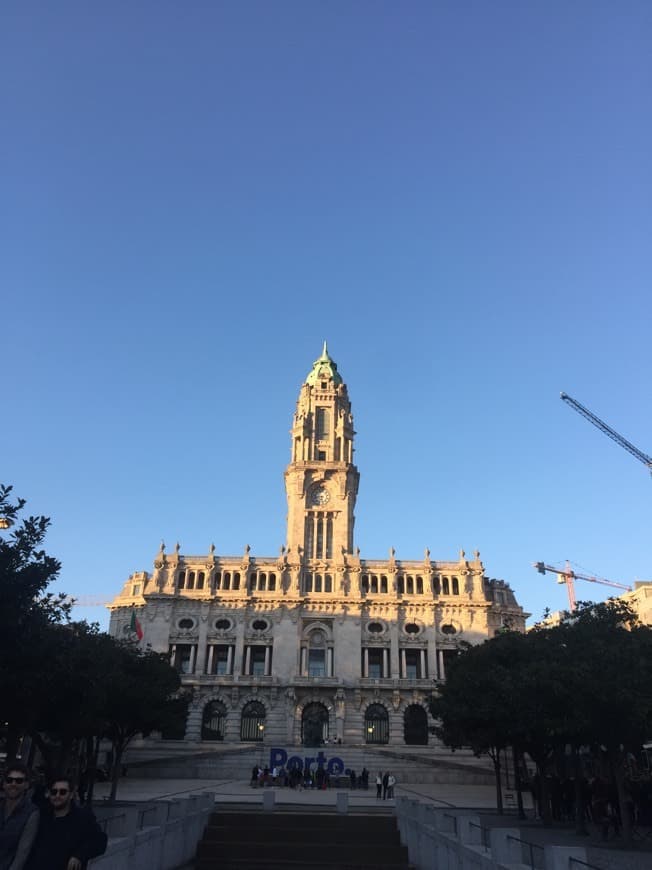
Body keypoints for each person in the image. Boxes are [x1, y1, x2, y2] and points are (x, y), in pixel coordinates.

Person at [25, 774, 107, 870]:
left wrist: (79, 856)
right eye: (54, 792)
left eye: (63, 792)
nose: (57, 795)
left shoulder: (83, 818)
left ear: (71, 794)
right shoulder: (41, 815)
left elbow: (100, 841)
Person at [0, 761, 39, 870]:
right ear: (3, 784)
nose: (13, 784)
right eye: (9, 780)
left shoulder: (31, 813)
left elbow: (22, 853)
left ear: (26, 785)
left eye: (19, 781)